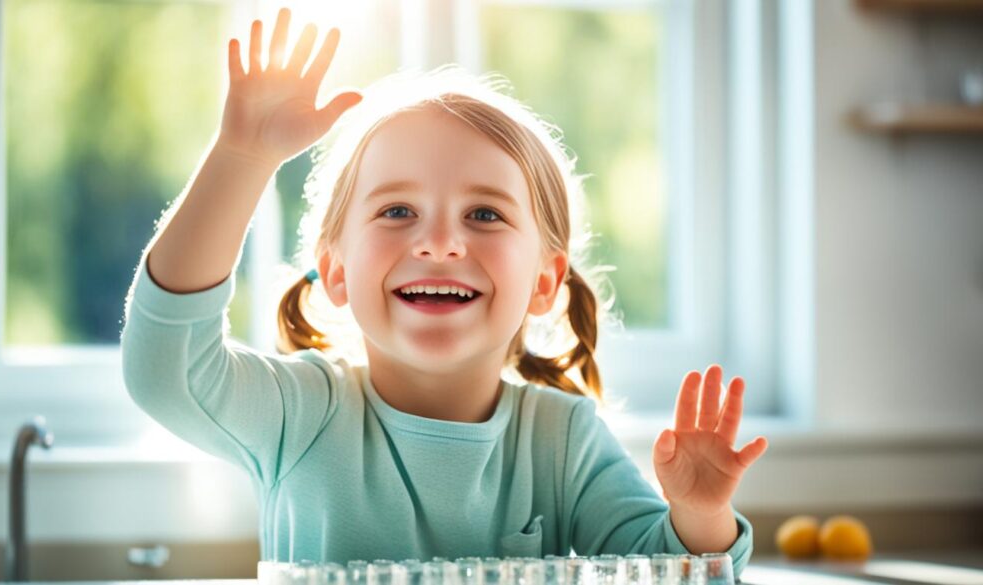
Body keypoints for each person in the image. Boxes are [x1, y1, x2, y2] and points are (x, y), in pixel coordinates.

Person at [120, 6, 769, 574]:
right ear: (338, 270)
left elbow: (669, 569)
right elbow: (165, 370)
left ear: (544, 280)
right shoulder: (302, 413)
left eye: (484, 215)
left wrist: (698, 514)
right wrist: (243, 155)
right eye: (397, 211)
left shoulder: (560, 440)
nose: (439, 243)